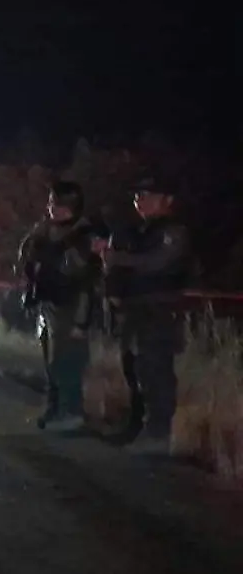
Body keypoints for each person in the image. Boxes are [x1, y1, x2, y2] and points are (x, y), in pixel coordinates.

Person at [95, 175, 192, 453]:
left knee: (155, 372)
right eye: (138, 196)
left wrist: (118, 259)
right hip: (136, 310)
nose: (140, 200)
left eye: (148, 195)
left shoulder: (173, 231)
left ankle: (158, 434)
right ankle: (139, 427)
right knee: (135, 369)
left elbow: (159, 263)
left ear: (167, 200)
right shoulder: (138, 231)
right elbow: (118, 271)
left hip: (159, 310)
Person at [16, 181, 101, 431]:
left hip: (71, 305)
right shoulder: (45, 230)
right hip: (48, 304)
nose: (56, 209)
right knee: (52, 363)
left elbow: (81, 275)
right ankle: (55, 409)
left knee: (67, 362)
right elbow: (25, 257)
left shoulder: (83, 235)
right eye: (53, 203)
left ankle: (72, 412)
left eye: (62, 205)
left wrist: (81, 321)